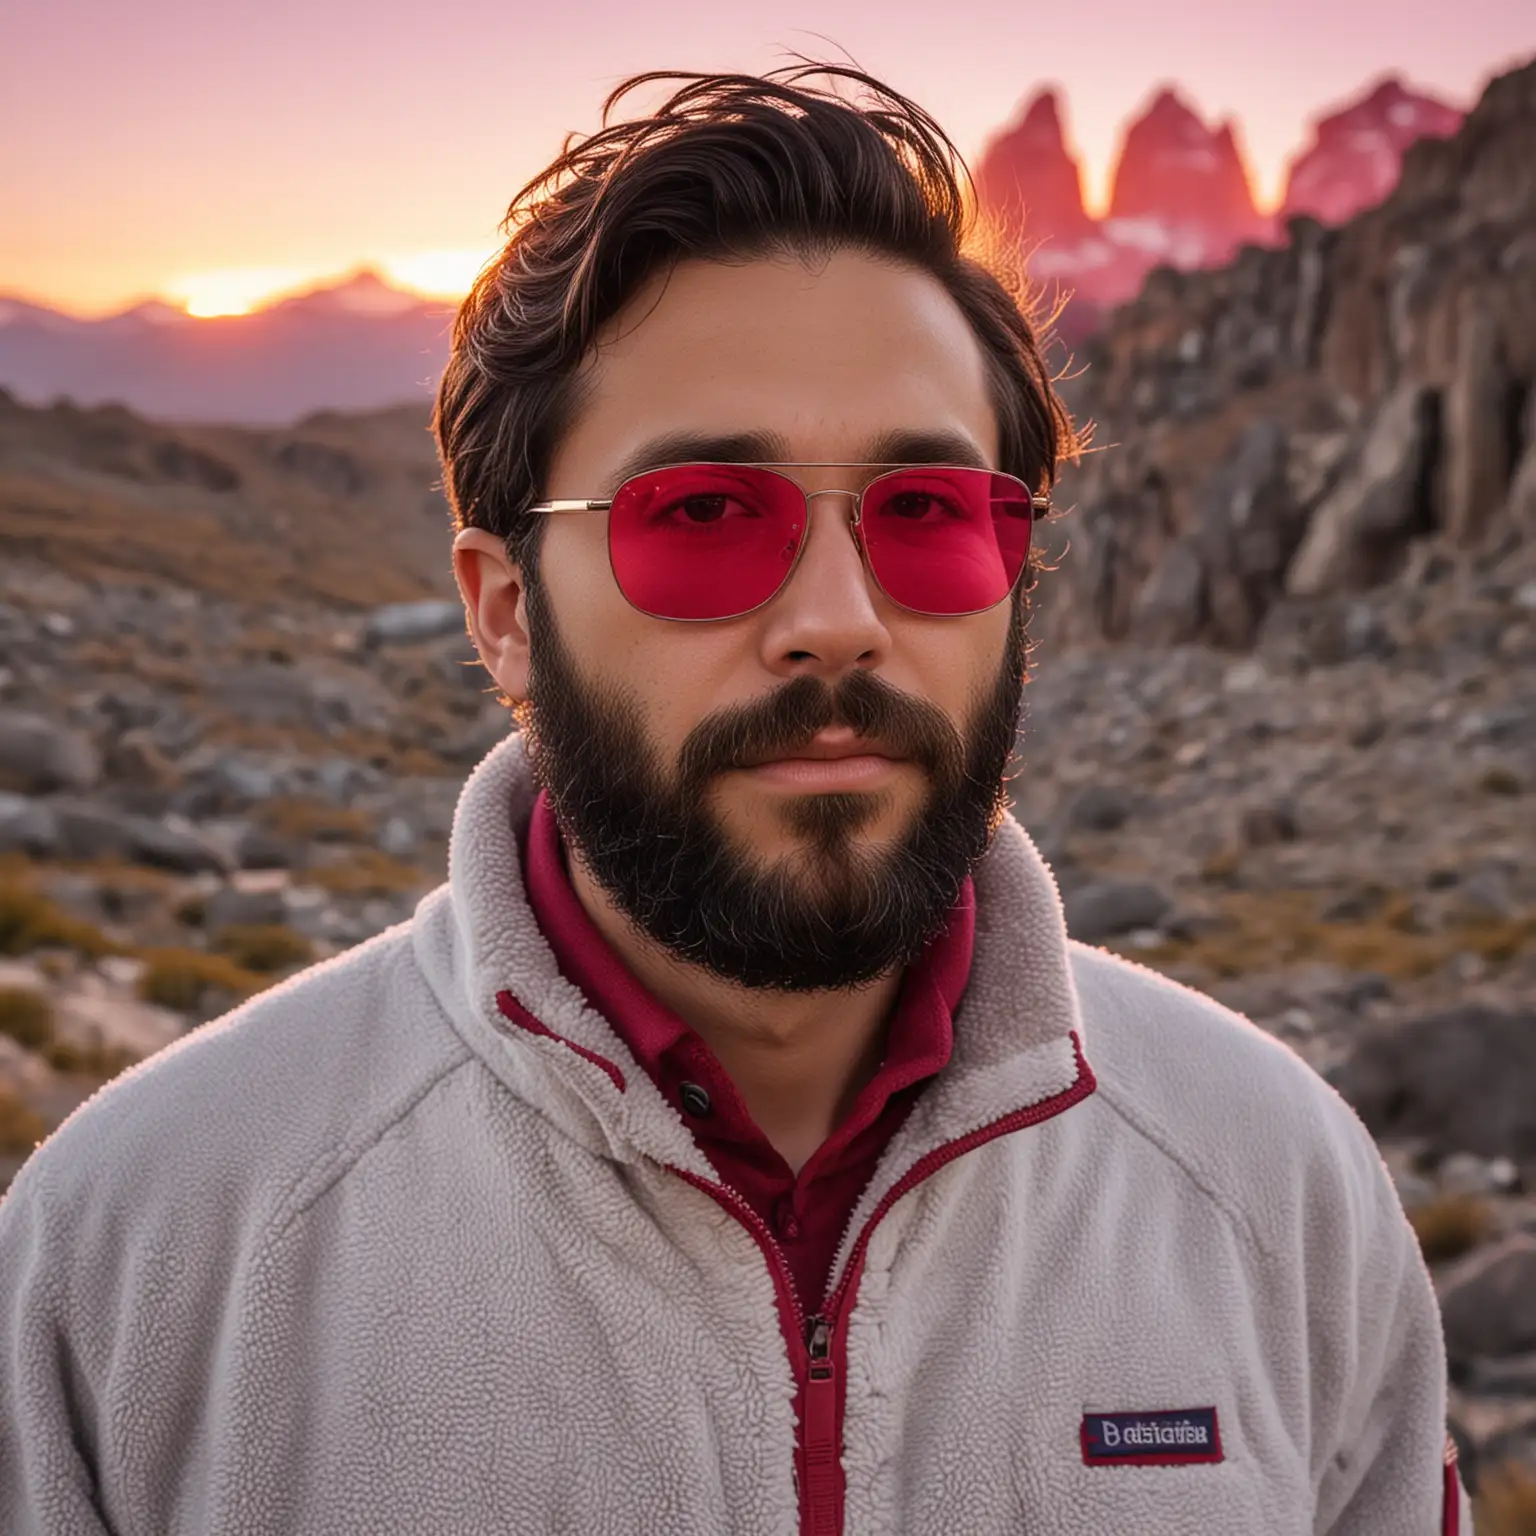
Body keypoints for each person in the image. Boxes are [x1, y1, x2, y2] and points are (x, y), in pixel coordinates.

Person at [0, 66, 1469, 1535]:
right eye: (703, 514)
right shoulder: (139, 1253)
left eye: (928, 515)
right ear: (507, 611)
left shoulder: (1275, 1188)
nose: (838, 621)